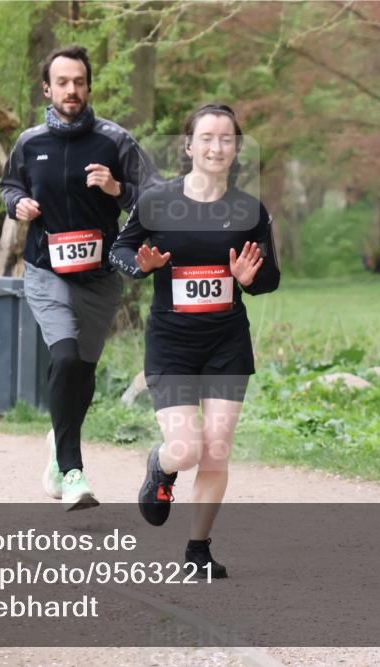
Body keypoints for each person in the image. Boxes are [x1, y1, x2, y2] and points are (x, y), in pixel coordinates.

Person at [110, 103, 280, 577]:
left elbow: (270, 279)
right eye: (206, 138)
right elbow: (118, 251)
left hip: (226, 342)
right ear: (189, 146)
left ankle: (197, 550)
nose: (216, 147)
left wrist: (250, 278)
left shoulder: (250, 209)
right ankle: (160, 468)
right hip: (172, 343)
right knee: (187, 449)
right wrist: (139, 266)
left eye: (226, 139)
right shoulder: (158, 202)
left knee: (218, 446)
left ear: (236, 148)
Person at [0, 45, 157, 511]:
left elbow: (156, 195)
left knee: (82, 371)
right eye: (62, 82)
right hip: (47, 271)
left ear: (89, 87)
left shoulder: (115, 141)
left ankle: (58, 440)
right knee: (65, 357)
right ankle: (72, 472)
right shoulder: (30, 142)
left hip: (101, 275)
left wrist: (117, 189)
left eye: (79, 82)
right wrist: (17, 204)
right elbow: (10, 183)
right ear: (47, 89)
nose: (72, 90)